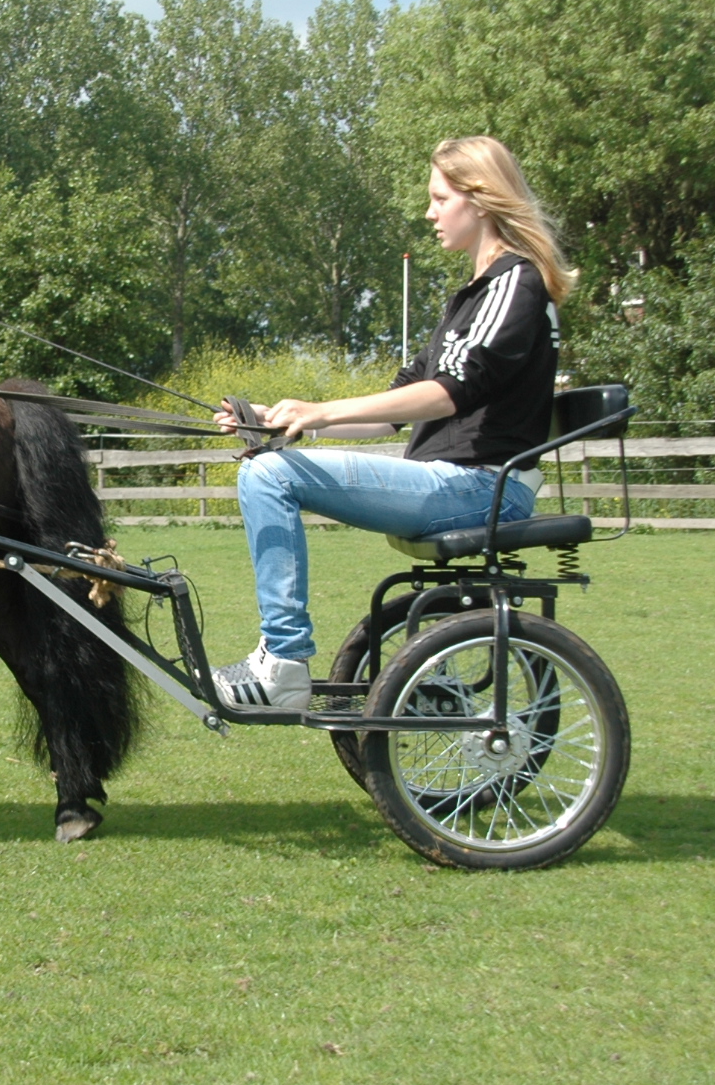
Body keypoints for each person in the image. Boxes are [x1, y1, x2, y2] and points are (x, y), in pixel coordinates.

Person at [211, 135, 577, 711]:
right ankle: (282, 662)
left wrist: (320, 411)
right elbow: (394, 409)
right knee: (269, 464)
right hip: (456, 481)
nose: (430, 213)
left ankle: (282, 664)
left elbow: (449, 395)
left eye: (440, 198)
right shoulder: (475, 297)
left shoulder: (516, 283)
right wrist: (279, 420)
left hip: (481, 487)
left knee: (269, 476)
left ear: (480, 198)